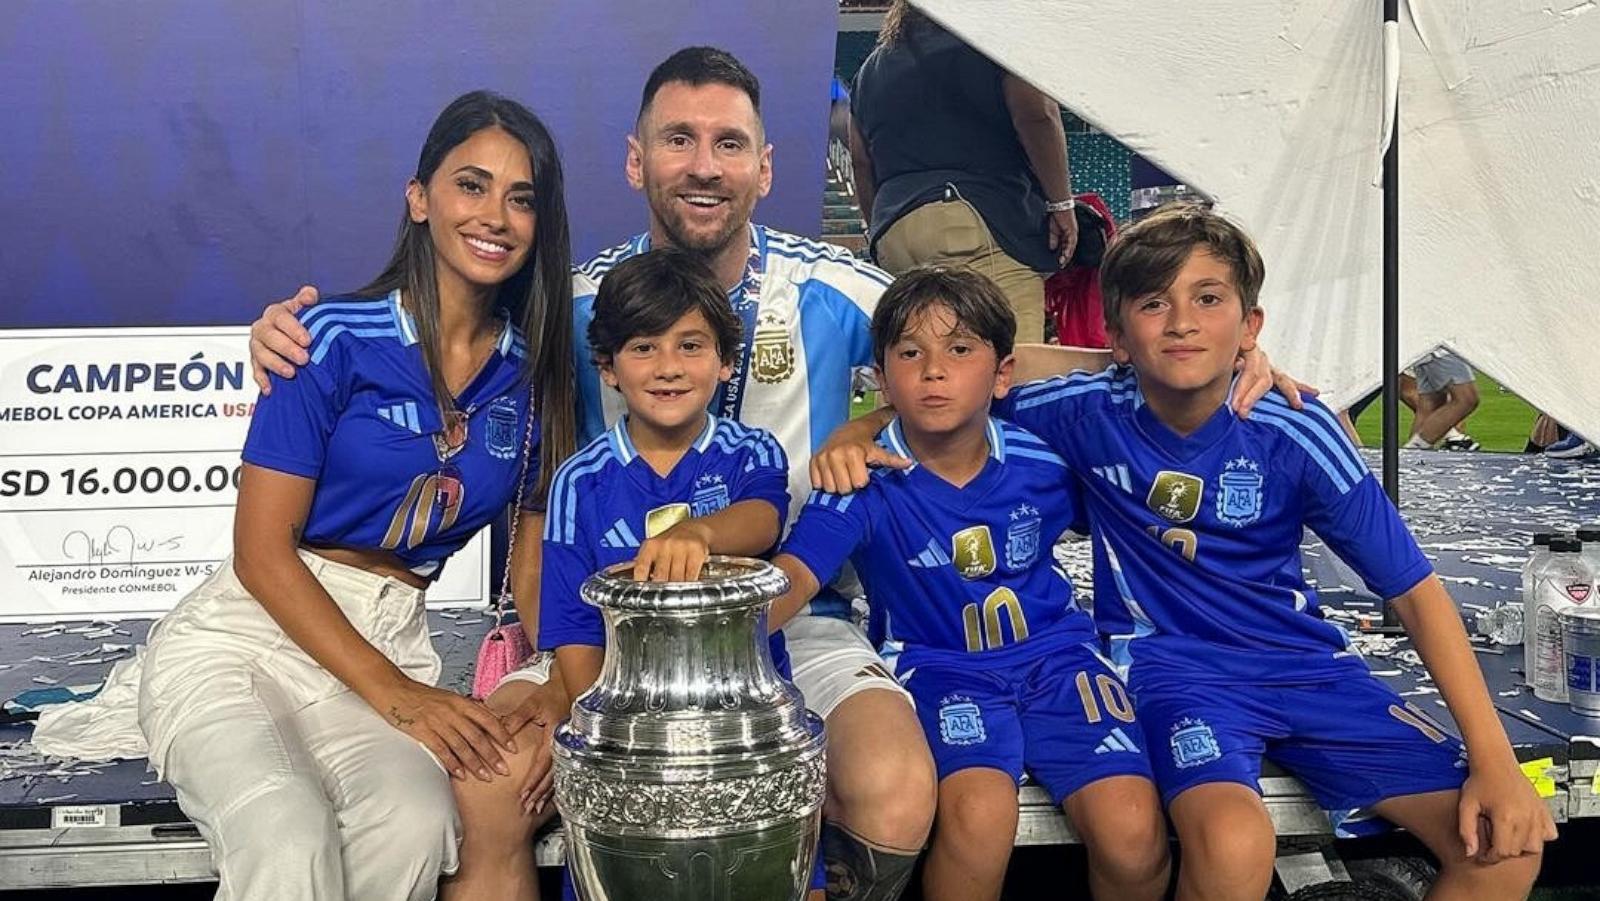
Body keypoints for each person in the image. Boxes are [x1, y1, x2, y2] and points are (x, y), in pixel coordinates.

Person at [33, 91, 579, 901]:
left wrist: (556, 681)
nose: (495, 214)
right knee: (286, 834)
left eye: (521, 197)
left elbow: (532, 553)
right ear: (419, 197)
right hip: (249, 637)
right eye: (471, 185)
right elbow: (259, 551)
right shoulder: (329, 337)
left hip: (394, 641)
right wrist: (398, 696)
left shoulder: (535, 372)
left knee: (417, 820)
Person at [933, 204, 1552, 899]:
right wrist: (864, 426)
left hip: (1306, 665)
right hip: (1173, 668)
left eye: (1208, 299)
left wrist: (1496, 760)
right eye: (1152, 304)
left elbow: (1413, 588)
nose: (1182, 322)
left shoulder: (1294, 426)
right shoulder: (1088, 408)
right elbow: (967, 374)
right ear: (1117, 334)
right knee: (1232, 842)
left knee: (1502, 851)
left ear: (1250, 324)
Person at [771, 266, 1169, 901]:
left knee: (1133, 831)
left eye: (960, 350)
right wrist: (713, 620)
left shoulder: (1045, 462)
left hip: (1059, 659)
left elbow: (1136, 509)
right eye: (911, 353)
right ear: (880, 380)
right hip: (939, 668)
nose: (934, 371)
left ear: (1001, 374)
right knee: (979, 818)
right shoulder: (860, 481)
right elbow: (794, 574)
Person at [507, 247, 820, 900]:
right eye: (644, 347)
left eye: (691, 345)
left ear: (726, 360)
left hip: (743, 725)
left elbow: (763, 519)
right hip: (626, 732)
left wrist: (701, 533)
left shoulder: (749, 452)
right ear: (608, 367)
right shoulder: (580, 480)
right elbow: (571, 627)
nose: (669, 367)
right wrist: (606, 744)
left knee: (780, 875)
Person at [849, 0, 1078, 343]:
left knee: (927, 368)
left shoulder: (870, 69)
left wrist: (882, 229)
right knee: (1012, 369)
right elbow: (1037, 114)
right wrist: (1061, 204)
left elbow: (861, 163)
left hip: (895, 231)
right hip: (979, 217)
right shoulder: (995, 42)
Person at [1406, 350, 1481, 450]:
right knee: (1467, 399)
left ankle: (1412, 456)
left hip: (1427, 351)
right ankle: (1413, 450)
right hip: (1440, 350)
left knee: (1431, 405)